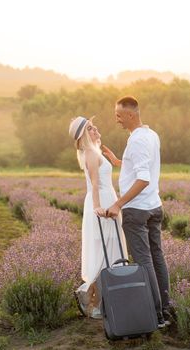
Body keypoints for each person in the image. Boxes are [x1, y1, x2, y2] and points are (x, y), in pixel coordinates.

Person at [103, 96, 171, 328]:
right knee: (157, 257)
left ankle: (156, 316)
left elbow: (143, 178)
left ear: (131, 115)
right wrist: (117, 161)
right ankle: (166, 308)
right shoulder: (150, 135)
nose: (117, 120)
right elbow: (141, 166)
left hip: (138, 211)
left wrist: (118, 204)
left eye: (119, 116)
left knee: (144, 263)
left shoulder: (137, 141)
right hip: (154, 206)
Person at [68, 116, 128, 320]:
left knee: (108, 252)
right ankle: (89, 295)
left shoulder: (95, 151)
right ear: (84, 135)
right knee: (104, 252)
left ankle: (102, 302)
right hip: (101, 204)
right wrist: (97, 208)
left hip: (107, 200)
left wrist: (113, 159)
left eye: (94, 126)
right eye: (91, 129)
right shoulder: (91, 154)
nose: (96, 129)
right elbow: (94, 184)